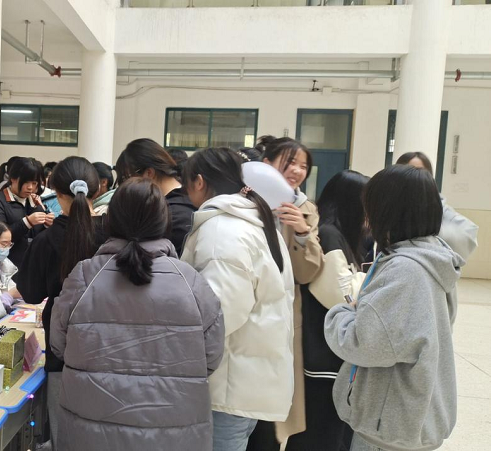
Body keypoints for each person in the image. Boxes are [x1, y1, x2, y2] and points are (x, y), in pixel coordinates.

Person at [51, 178, 225, 450]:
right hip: (173, 431)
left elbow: (60, 344)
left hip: (92, 429)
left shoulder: (85, 275)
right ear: (163, 221)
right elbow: (211, 356)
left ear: (111, 219)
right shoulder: (190, 280)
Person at [325, 165, 462, 451]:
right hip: (409, 416)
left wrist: (341, 313)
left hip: (388, 429)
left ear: (388, 209)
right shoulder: (433, 256)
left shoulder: (405, 270)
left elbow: (365, 344)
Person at [181, 147, 294, 451]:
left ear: (199, 181)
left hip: (226, 386)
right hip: (245, 381)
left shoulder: (223, 229)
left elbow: (219, 314)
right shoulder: (252, 221)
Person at [18, 156, 108, 448]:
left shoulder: (46, 240)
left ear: (56, 193)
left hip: (62, 349)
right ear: (98, 189)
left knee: (64, 435)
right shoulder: (113, 234)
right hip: (110, 348)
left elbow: (31, 293)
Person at [247, 135, 324, 451]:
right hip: (245, 307)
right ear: (266, 164)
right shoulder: (243, 200)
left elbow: (307, 274)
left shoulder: (305, 209)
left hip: (283, 316)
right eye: (291, 162)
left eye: (304, 166)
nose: (297, 171)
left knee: (272, 408)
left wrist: (302, 233)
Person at [284, 170, 370, 451]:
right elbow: (340, 295)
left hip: (333, 354)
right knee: (320, 435)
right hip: (323, 358)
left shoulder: (343, 236)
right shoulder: (330, 234)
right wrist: (370, 283)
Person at [115, 138, 195, 255]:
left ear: (149, 173)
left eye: (126, 178)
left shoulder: (167, 215)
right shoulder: (190, 199)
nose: (124, 186)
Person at [397, 151, 478, 261]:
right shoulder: (391, 205)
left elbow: (467, 234)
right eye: (407, 171)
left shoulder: (439, 208)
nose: (414, 177)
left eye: (419, 171)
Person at [0, 157, 52, 273]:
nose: (30, 187)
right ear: (13, 179)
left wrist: (48, 225)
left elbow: (41, 237)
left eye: (34, 183)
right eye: (26, 182)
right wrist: (27, 222)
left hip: (33, 267)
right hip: (5, 268)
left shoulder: (36, 203)